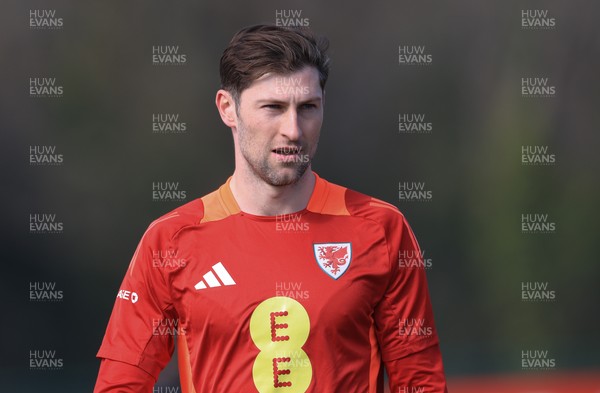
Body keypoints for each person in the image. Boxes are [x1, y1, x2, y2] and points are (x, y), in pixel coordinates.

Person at [94, 24, 448, 393]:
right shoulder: (170, 241)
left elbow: (420, 381)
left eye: (308, 107)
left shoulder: (381, 229)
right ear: (227, 109)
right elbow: (120, 383)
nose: (293, 130)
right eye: (273, 108)